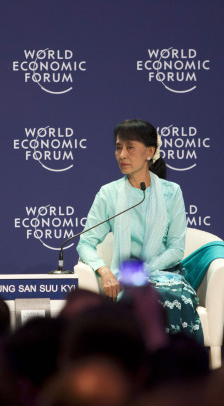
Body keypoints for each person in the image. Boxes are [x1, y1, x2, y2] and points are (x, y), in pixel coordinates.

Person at [76, 119, 203, 342]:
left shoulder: (171, 192)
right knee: (140, 298)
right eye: (118, 148)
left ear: (149, 152)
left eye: (129, 147)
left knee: (167, 296)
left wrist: (142, 272)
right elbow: (85, 243)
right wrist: (105, 272)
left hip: (166, 276)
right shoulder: (108, 193)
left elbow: (175, 249)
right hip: (123, 279)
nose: (122, 155)